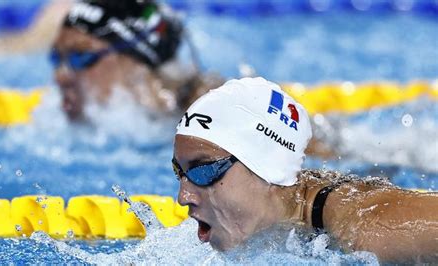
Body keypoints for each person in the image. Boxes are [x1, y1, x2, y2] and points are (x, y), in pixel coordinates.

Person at [172, 77, 438, 263]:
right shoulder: (281, 219)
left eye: (203, 170)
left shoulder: (368, 230)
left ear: (267, 168)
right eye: (180, 173)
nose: (183, 196)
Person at [51, 0, 221, 121]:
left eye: (80, 56)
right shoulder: (41, 110)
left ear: (137, 65)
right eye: (56, 57)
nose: (60, 77)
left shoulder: (208, 117)